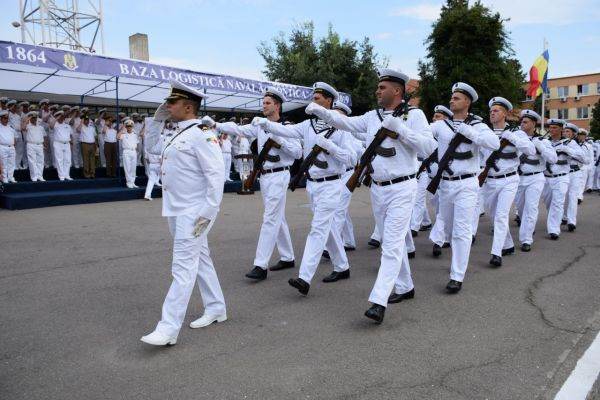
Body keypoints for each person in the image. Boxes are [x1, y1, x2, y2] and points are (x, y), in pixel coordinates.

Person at [305, 69, 436, 323]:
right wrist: (320, 111)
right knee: (390, 239)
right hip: (378, 188)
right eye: (378, 87)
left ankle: (378, 300)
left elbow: (429, 147)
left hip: (403, 186)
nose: (377, 91)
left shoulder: (414, 115)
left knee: (392, 243)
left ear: (397, 91)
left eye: (382, 87)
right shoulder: (372, 116)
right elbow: (346, 122)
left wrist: (401, 130)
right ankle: (405, 286)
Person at [141, 80, 226, 346]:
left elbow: (216, 175)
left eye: (172, 102)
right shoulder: (177, 132)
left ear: (188, 107)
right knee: (200, 259)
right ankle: (216, 308)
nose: (167, 106)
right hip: (176, 210)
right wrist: (155, 121)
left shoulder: (203, 133)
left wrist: (208, 213)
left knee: (182, 267)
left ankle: (167, 328)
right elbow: (152, 149)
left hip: (194, 212)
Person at [254, 82, 355, 293]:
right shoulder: (308, 125)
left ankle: (304, 277)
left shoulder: (341, 126)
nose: (314, 101)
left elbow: (351, 159)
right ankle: (342, 265)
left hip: (332, 183)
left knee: (318, 229)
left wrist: (331, 146)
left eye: (318, 98)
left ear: (328, 101)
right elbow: (284, 130)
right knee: (326, 228)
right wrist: (264, 124)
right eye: (313, 97)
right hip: (313, 185)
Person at [215, 87, 302, 280]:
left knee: (270, 218)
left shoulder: (287, 127)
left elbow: (297, 153)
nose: (264, 106)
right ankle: (287, 257)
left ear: (277, 105)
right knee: (277, 216)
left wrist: (278, 138)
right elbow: (238, 129)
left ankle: (260, 265)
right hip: (265, 176)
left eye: (268, 103)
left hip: (279, 174)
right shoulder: (260, 125)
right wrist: (215, 125)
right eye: (263, 103)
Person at [429, 83, 499, 292]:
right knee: (449, 228)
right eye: (452, 97)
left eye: (457, 98)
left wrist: (470, 132)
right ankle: (451, 255)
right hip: (445, 185)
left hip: (467, 183)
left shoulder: (477, 125)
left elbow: (494, 143)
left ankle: (457, 275)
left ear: (467, 102)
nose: (452, 100)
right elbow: (421, 134)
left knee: (461, 230)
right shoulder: (441, 125)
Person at [480, 97, 535, 267]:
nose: (492, 113)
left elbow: (531, 150)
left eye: (496, 110)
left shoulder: (516, 133)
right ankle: (508, 245)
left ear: (505, 113)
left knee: (502, 216)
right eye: (491, 111)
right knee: (495, 215)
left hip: (509, 180)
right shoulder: (485, 133)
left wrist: (512, 137)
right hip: (489, 181)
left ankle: (496, 253)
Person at [514, 109, 557, 252]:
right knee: (520, 208)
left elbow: (553, 159)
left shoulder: (543, 140)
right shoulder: (517, 139)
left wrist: (541, 148)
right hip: (519, 177)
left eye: (525, 122)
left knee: (531, 208)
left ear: (533, 124)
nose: (522, 124)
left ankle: (526, 239)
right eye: (521, 121)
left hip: (536, 177)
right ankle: (527, 227)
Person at [542, 119, 583, 240]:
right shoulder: (544, 141)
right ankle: (555, 220)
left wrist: (567, 150)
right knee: (549, 203)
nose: (552, 130)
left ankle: (554, 229)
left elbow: (584, 158)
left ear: (561, 129)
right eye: (550, 127)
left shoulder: (569, 143)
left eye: (555, 128)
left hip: (562, 177)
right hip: (547, 178)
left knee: (558, 202)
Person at [561, 123, 591, 231]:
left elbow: (586, 160)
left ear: (573, 134)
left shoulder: (575, 145)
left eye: (568, 131)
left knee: (573, 197)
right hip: (562, 173)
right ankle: (563, 216)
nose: (565, 133)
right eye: (564, 131)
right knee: (562, 197)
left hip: (575, 173)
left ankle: (571, 221)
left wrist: (569, 151)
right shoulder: (558, 143)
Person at [22, 110, 48, 182]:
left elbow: (45, 136)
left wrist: (45, 144)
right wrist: (28, 118)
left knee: (40, 161)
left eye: (35, 118)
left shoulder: (40, 127)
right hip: (31, 145)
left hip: (40, 145)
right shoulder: (28, 126)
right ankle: (34, 177)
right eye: (33, 118)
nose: (34, 119)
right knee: (32, 162)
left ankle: (40, 176)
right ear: (30, 118)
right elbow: (23, 128)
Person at [49, 110, 73, 181]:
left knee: (68, 160)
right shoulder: (55, 124)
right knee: (59, 160)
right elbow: (51, 126)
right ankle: (61, 176)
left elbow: (71, 135)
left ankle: (67, 175)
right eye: (60, 116)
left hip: (67, 144)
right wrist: (56, 118)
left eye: (62, 116)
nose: (62, 118)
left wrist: (71, 143)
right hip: (58, 143)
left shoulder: (67, 125)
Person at [118, 119, 138, 188]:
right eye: (128, 126)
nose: (129, 128)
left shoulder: (135, 134)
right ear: (126, 127)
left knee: (133, 168)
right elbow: (117, 137)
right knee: (127, 168)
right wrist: (122, 129)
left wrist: (135, 151)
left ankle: (133, 182)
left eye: (130, 126)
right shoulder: (123, 134)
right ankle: (129, 182)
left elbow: (137, 144)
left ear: (132, 127)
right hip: (126, 151)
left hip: (133, 151)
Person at [77, 114, 97, 179]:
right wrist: (81, 122)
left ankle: (92, 173)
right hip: (85, 144)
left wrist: (95, 145)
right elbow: (77, 130)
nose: (86, 121)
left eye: (87, 120)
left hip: (92, 144)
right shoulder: (81, 127)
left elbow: (95, 136)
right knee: (86, 159)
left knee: (92, 159)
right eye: (85, 120)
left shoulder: (92, 127)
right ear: (83, 120)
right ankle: (86, 173)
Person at [0, 110, 17, 183]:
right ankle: (4, 178)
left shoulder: (11, 127)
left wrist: (13, 145)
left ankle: (10, 177)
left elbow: (14, 137)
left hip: (11, 147)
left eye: (7, 118)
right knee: (4, 163)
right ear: (1, 118)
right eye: (4, 118)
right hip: (3, 147)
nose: (6, 120)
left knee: (12, 163)